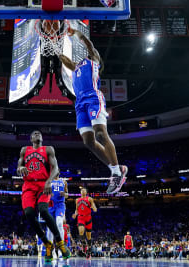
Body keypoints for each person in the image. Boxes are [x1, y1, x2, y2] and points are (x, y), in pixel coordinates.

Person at [59, 28, 128, 194]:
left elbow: (90, 46)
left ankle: (117, 174)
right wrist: (57, 45)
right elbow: (65, 61)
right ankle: (117, 168)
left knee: (100, 134)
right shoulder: (77, 67)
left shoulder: (94, 60)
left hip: (93, 98)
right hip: (80, 103)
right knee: (88, 142)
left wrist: (76, 33)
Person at [17, 130, 71, 262]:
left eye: (39, 133)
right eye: (34, 133)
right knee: (29, 213)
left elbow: (56, 168)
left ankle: (60, 243)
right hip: (29, 185)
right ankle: (47, 243)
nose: (37, 134)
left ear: (42, 138)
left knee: (43, 210)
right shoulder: (25, 150)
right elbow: (19, 165)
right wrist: (20, 169)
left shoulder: (48, 149)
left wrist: (48, 182)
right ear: (30, 139)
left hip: (43, 185)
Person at [46, 173, 68, 259]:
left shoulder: (64, 182)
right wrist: (48, 194)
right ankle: (51, 250)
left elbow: (67, 195)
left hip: (60, 205)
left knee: (59, 223)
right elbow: (43, 192)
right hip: (50, 205)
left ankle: (60, 249)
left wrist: (64, 194)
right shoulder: (49, 181)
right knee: (49, 228)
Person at [72, 188, 97, 259]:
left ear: (86, 192)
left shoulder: (89, 199)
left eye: (84, 190)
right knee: (81, 231)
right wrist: (75, 214)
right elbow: (76, 209)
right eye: (81, 190)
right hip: (80, 217)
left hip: (88, 218)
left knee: (89, 236)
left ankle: (89, 252)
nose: (83, 191)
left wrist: (94, 208)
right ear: (80, 192)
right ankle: (83, 244)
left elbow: (94, 207)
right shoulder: (77, 200)